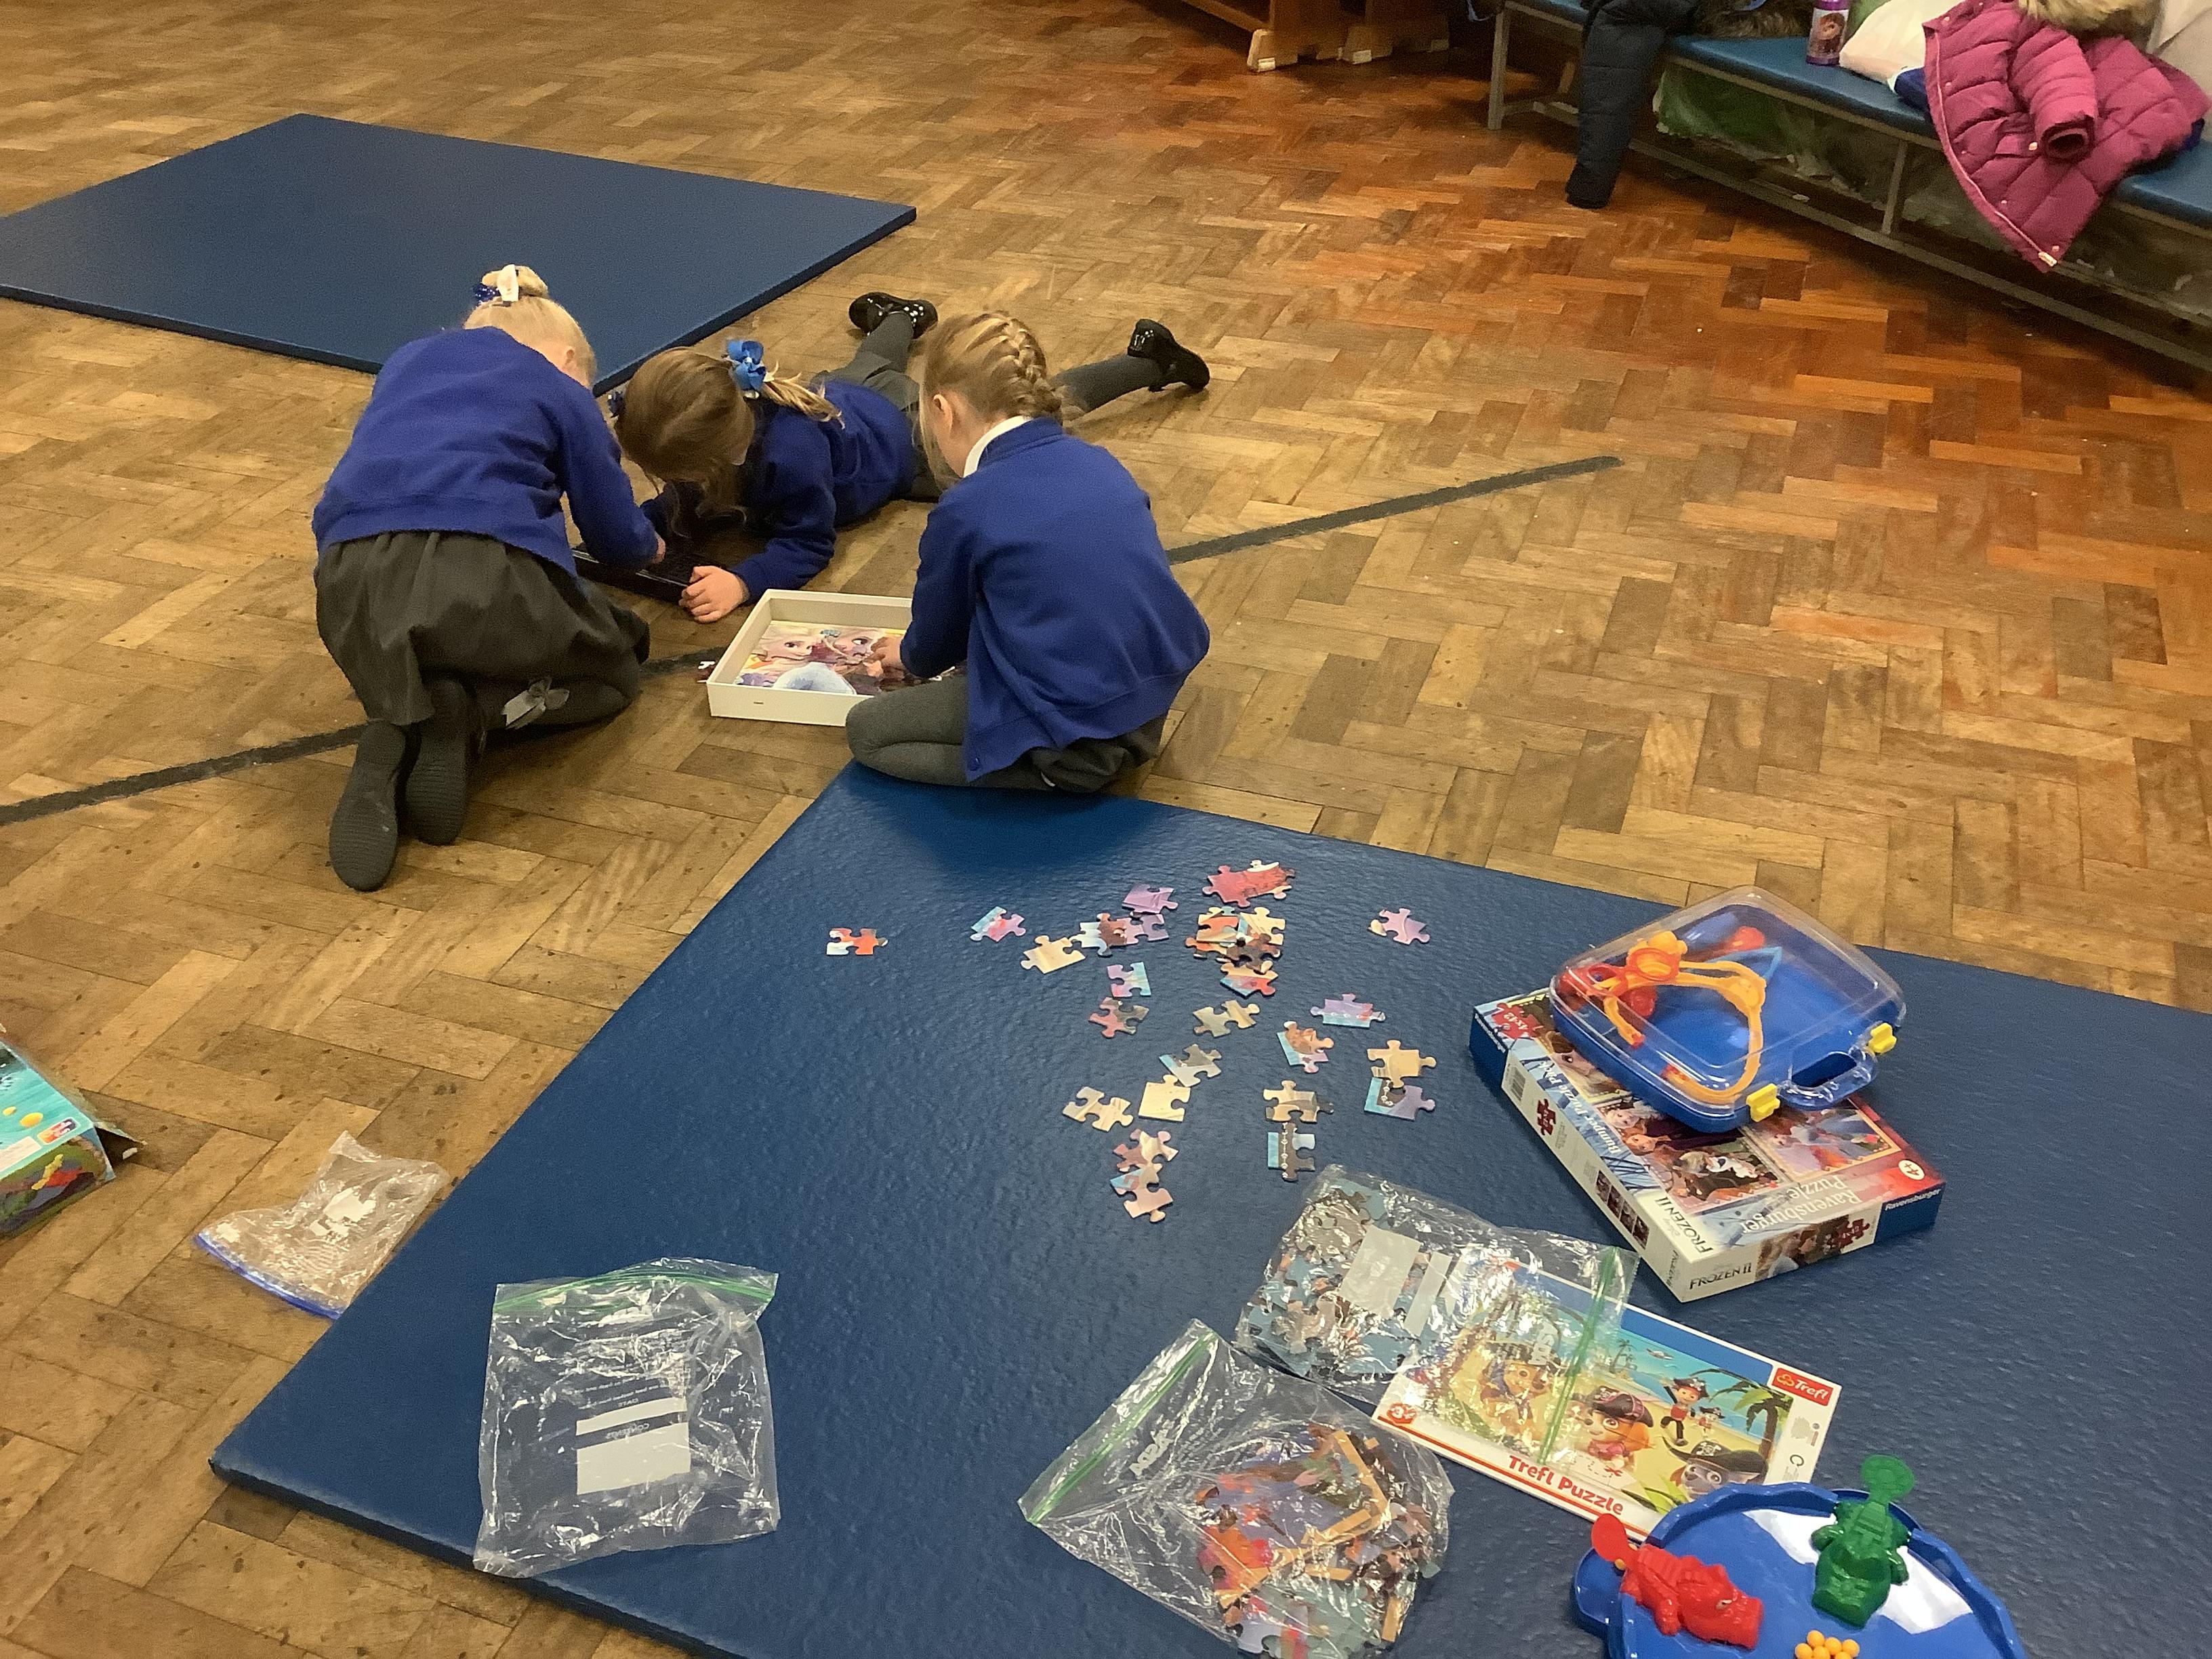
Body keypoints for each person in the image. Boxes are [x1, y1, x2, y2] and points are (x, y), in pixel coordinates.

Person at [312, 264, 661, 891]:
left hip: (349, 584)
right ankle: (478, 710)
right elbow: (614, 539)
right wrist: (652, 545)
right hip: (488, 575)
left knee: (431, 632)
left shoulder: (405, 363)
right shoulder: (557, 386)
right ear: (567, 358)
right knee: (617, 671)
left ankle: (397, 722)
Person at [611, 293, 1210, 623]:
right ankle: (903, 317)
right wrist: (646, 524)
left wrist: (745, 581)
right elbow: (689, 493)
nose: (671, 484)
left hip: (903, 444)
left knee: (1027, 405)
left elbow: (810, 544)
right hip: (845, 395)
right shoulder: (726, 418)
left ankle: (1150, 360)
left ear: (724, 454)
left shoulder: (790, 458)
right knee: (871, 366)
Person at [843, 310, 1212, 791]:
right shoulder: (1096, 459)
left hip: (1079, 730)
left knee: (868, 733)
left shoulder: (966, 508)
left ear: (943, 410)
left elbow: (935, 646)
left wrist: (908, 656)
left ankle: (1051, 772)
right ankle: (1080, 755)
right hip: (1152, 696)